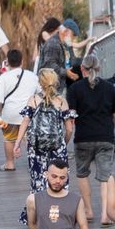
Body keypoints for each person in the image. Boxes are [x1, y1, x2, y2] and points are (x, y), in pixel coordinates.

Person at [65, 54, 115, 216]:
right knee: (105, 176)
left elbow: (70, 118)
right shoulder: (110, 88)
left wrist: (67, 137)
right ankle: (106, 214)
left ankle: (89, 210)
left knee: (82, 173)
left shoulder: (74, 89)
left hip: (83, 138)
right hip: (105, 137)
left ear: (82, 69)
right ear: (98, 69)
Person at [21, 67, 73, 208]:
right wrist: (64, 143)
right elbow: (69, 128)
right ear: (55, 82)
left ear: (40, 82)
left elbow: (25, 121)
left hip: (36, 148)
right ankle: (61, 210)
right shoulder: (61, 101)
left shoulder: (33, 100)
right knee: (59, 178)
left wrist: (17, 143)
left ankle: (39, 211)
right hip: (57, 147)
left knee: (38, 179)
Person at [0, 48, 33, 172]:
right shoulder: (32, 76)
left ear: (7, 62)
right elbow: (40, 93)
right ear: (22, 61)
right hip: (28, 114)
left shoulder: (3, 78)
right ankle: (33, 164)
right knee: (29, 139)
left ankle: (10, 164)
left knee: (9, 139)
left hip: (10, 114)